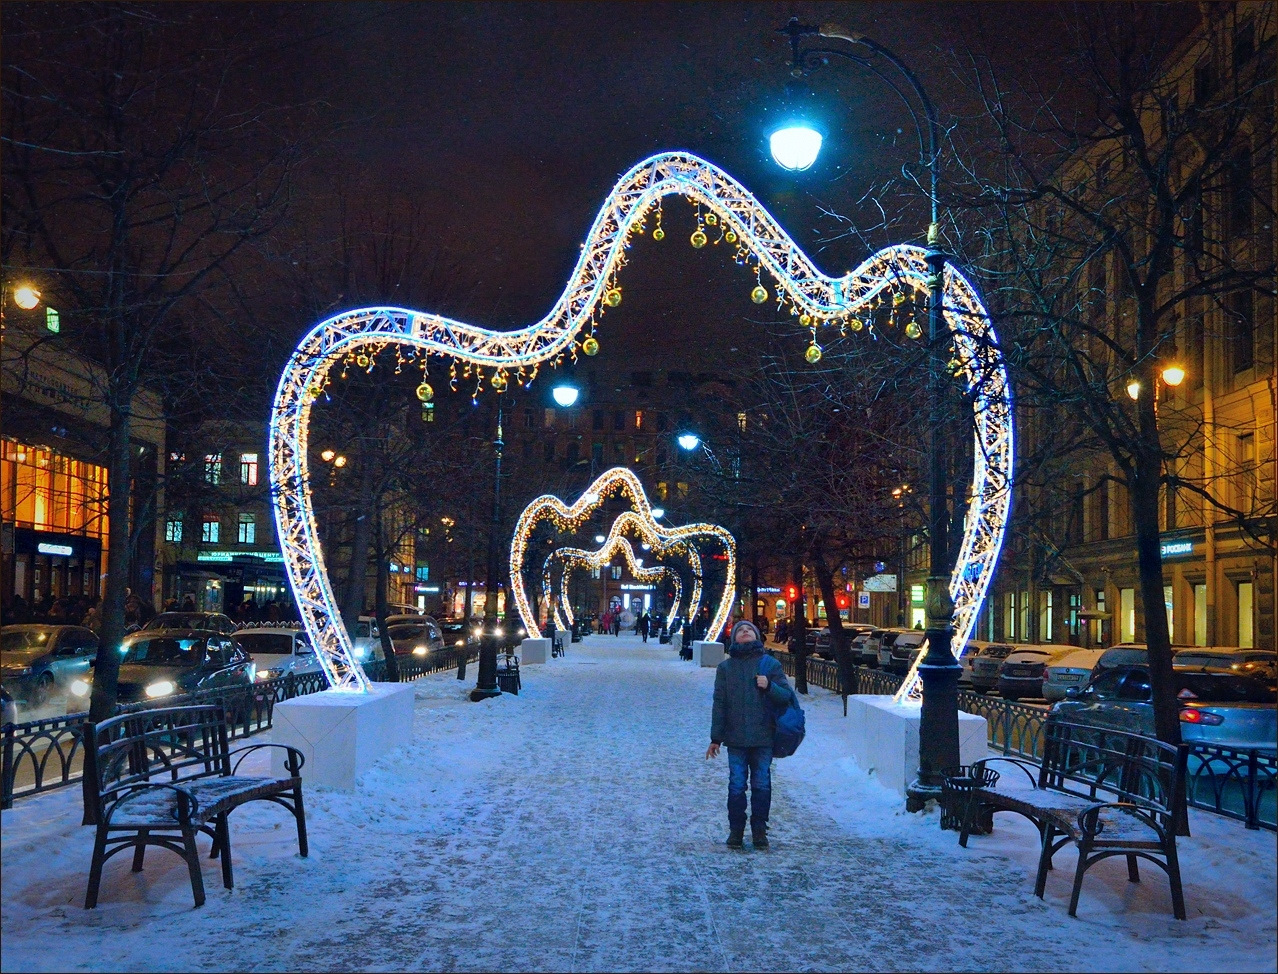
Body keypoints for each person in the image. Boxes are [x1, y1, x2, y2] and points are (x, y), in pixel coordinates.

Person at [706, 620, 793, 850]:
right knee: (736, 785)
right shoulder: (726, 668)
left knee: (761, 784)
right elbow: (720, 703)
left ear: (756, 636)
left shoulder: (770, 665)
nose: (745, 632)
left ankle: (759, 831)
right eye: (740, 631)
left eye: (749, 630)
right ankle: (736, 831)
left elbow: (786, 696)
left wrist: (769, 686)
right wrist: (716, 738)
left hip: (764, 737)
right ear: (734, 638)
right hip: (735, 739)